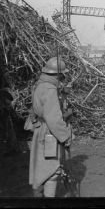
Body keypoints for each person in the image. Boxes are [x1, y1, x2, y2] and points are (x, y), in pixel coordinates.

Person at [28, 57, 72, 198]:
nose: (63, 77)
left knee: (41, 169)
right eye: (61, 75)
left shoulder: (40, 85)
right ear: (56, 75)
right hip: (50, 134)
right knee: (52, 171)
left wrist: (63, 93)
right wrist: (65, 136)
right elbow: (53, 118)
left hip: (41, 130)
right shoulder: (49, 89)